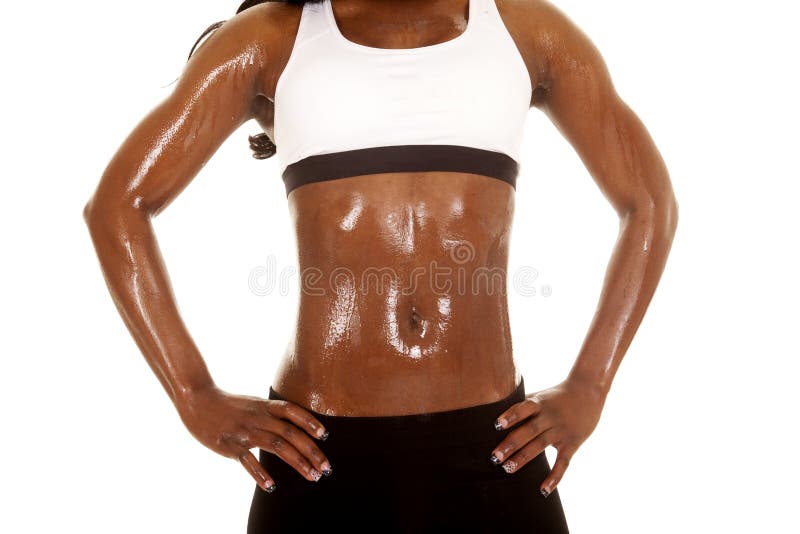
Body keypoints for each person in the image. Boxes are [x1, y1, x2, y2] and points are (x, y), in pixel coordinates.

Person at [83, 0, 678, 531]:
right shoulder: (269, 38)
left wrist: (591, 385)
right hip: (318, 453)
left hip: (495, 449)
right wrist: (194, 393)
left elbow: (650, 203)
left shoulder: (527, 31)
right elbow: (117, 207)